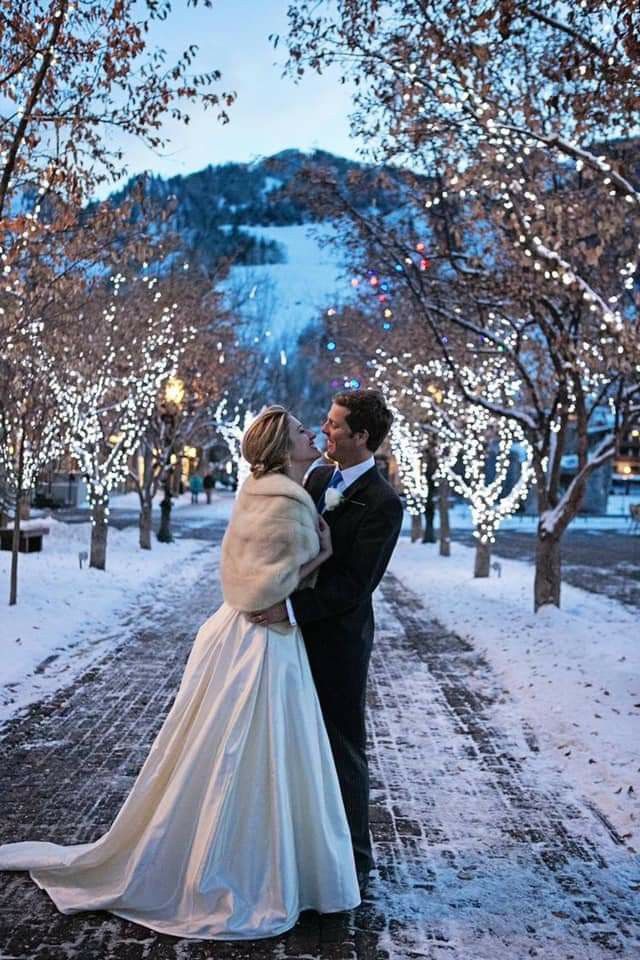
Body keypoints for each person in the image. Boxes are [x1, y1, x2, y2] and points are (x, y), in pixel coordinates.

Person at [0, 406, 360, 940]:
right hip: (261, 643)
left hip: (246, 637)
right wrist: (320, 553)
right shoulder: (282, 502)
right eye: (302, 432)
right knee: (252, 754)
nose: (313, 434)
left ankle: (271, 862)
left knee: (244, 753)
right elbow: (263, 588)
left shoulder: (265, 490)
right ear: (285, 449)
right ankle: (254, 867)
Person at [248, 389, 403, 892]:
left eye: (336, 424)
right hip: (289, 636)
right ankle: (303, 849)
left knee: (342, 745)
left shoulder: (383, 501)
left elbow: (355, 585)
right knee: (296, 742)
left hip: (337, 640)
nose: (326, 429)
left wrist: (288, 607)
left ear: (363, 436)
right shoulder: (316, 476)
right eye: (327, 420)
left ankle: (355, 861)